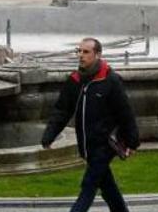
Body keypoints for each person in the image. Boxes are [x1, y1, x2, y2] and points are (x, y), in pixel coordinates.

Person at [41, 38, 139, 212]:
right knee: (108, 187)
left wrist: (132, 142)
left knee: (88, 186)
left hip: (104, 145)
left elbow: (125, 113)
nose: (81, 55)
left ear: (98, 54)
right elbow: (62, 111)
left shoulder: (111, 81)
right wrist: (49, 136)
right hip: (87, 145)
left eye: (86, 52)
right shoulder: (75, 80)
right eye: (79, 51)